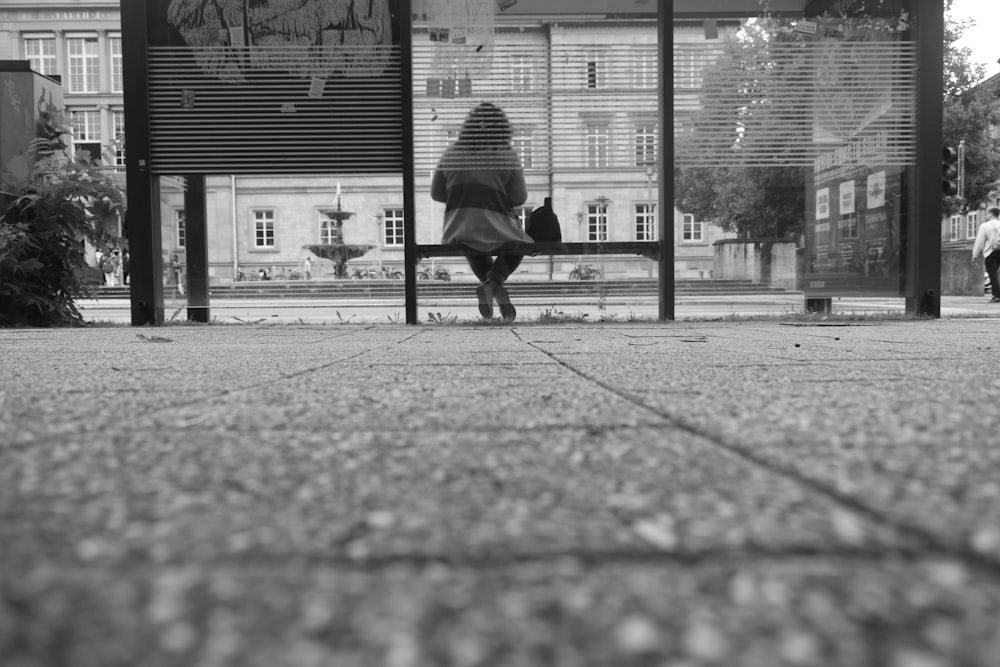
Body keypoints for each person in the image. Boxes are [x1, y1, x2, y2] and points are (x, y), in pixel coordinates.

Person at [431, 101, 530, 321]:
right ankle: (493, 284)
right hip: (495, 227)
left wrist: (465, 197)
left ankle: (491, 287)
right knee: (520, 243)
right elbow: (518, 198)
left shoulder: (450, 153)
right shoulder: (506, 153)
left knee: (472, 243)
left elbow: (436, 193)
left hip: (459, 228)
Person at [972, 206, 1000, 302]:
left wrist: (975, 254)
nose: (986, 215)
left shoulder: (985, 226)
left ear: (991, 214)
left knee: (993, 274)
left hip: (991, 252)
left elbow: (980, 241)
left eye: (987, 213)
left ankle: (996, 296)